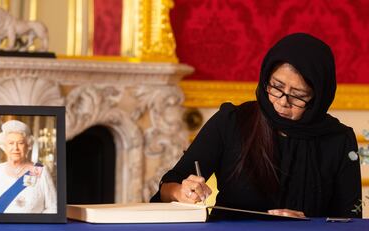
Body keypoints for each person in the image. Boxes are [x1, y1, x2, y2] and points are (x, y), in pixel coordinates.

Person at [150, 33, 362, 219]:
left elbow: (349, 221)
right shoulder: (232, 121)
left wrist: (308, 224)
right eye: (276, 87)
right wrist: (182, 192)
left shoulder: (339, 140)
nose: (282, 101)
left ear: (318, 98)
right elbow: (168, 186)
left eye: (298, 96)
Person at [0, 120, 57, 213]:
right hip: (0, 226)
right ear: (4, 146)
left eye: (20, 143)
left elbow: (53, 208)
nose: (15, 148)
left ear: (28, 145)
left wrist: (36, 225)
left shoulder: (40, 171)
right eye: (11, 143)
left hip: (31, 227)